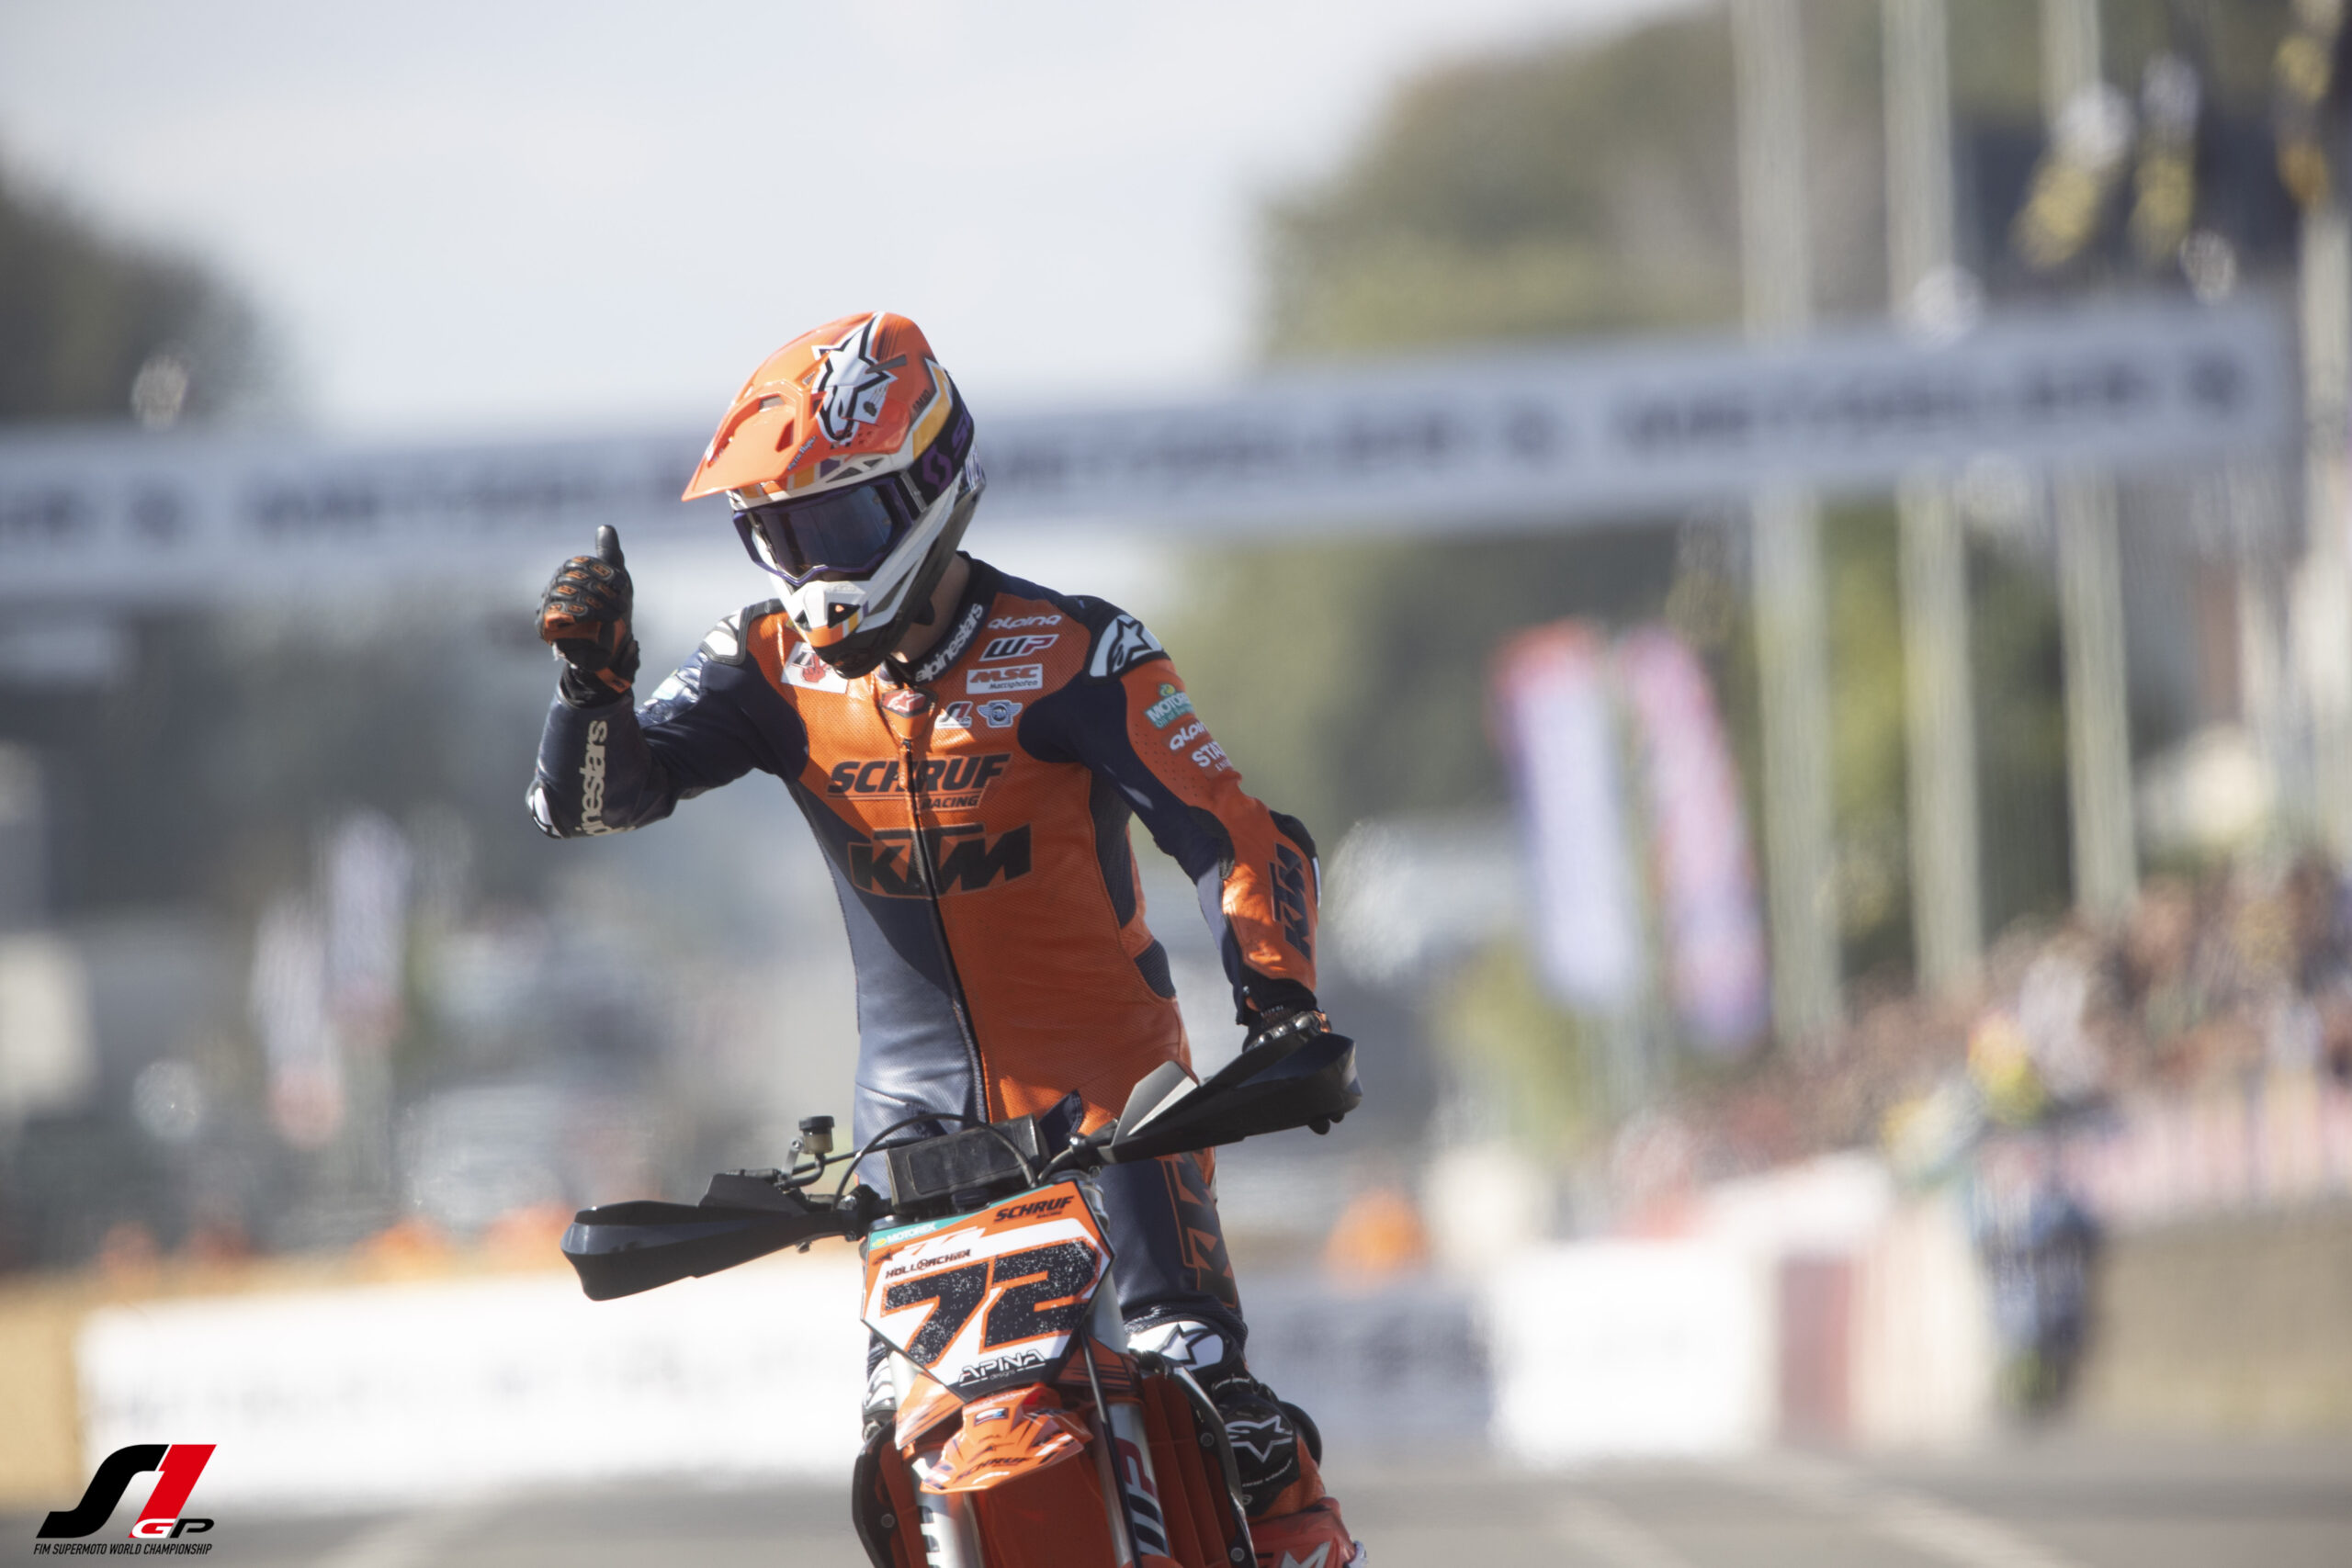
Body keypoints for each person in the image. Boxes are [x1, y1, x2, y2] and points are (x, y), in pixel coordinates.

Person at [528, 311, 1360, 1567]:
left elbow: (1235, 835)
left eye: (837, 523)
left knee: (1229, 1428)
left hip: (1121, 1118)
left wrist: (1282, 1007)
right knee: (907, 1464)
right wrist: (590, 693)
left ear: (929, 481)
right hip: (910, 1153)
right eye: (782, 535)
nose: (813, 570)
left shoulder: (1080, 650)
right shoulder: (765, 663)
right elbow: (589, 805)